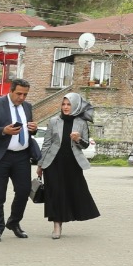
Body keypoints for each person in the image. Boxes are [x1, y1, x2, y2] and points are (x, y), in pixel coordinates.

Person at [0, 77, 41, 241]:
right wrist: (3, 130)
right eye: (19, 94)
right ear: (10, 91)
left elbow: (28, 130)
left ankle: (14, 222)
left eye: (25, 94)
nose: (22, 97)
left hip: (22, 156)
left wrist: (34, 129)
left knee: (24, 191)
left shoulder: (27, 107)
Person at [37, 92, 101, 238]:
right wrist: (40, 165)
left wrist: (78, 139)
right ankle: (56, 225)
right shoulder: (54, 121)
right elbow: (46, 144)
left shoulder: (81, 123)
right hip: (53, 163)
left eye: (69, 104)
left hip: (72, 164)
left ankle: (65, 218)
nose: (65, 107)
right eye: (63, 104)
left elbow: (85, 145)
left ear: (76, 106)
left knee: (70, 193)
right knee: (55, 194)